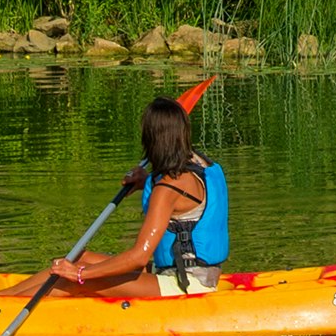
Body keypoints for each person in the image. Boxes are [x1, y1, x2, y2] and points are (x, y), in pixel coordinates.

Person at [26, 96, 228, 300]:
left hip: (185, 284)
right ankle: (0, 297)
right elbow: (185, 199)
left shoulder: (167, 188)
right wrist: (147, 181)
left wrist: (79, 274)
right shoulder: (201, 163)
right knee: (79, 257)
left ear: (151, 140)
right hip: (180, 272)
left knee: (73, 279)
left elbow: (138, 257)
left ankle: (4, 307)